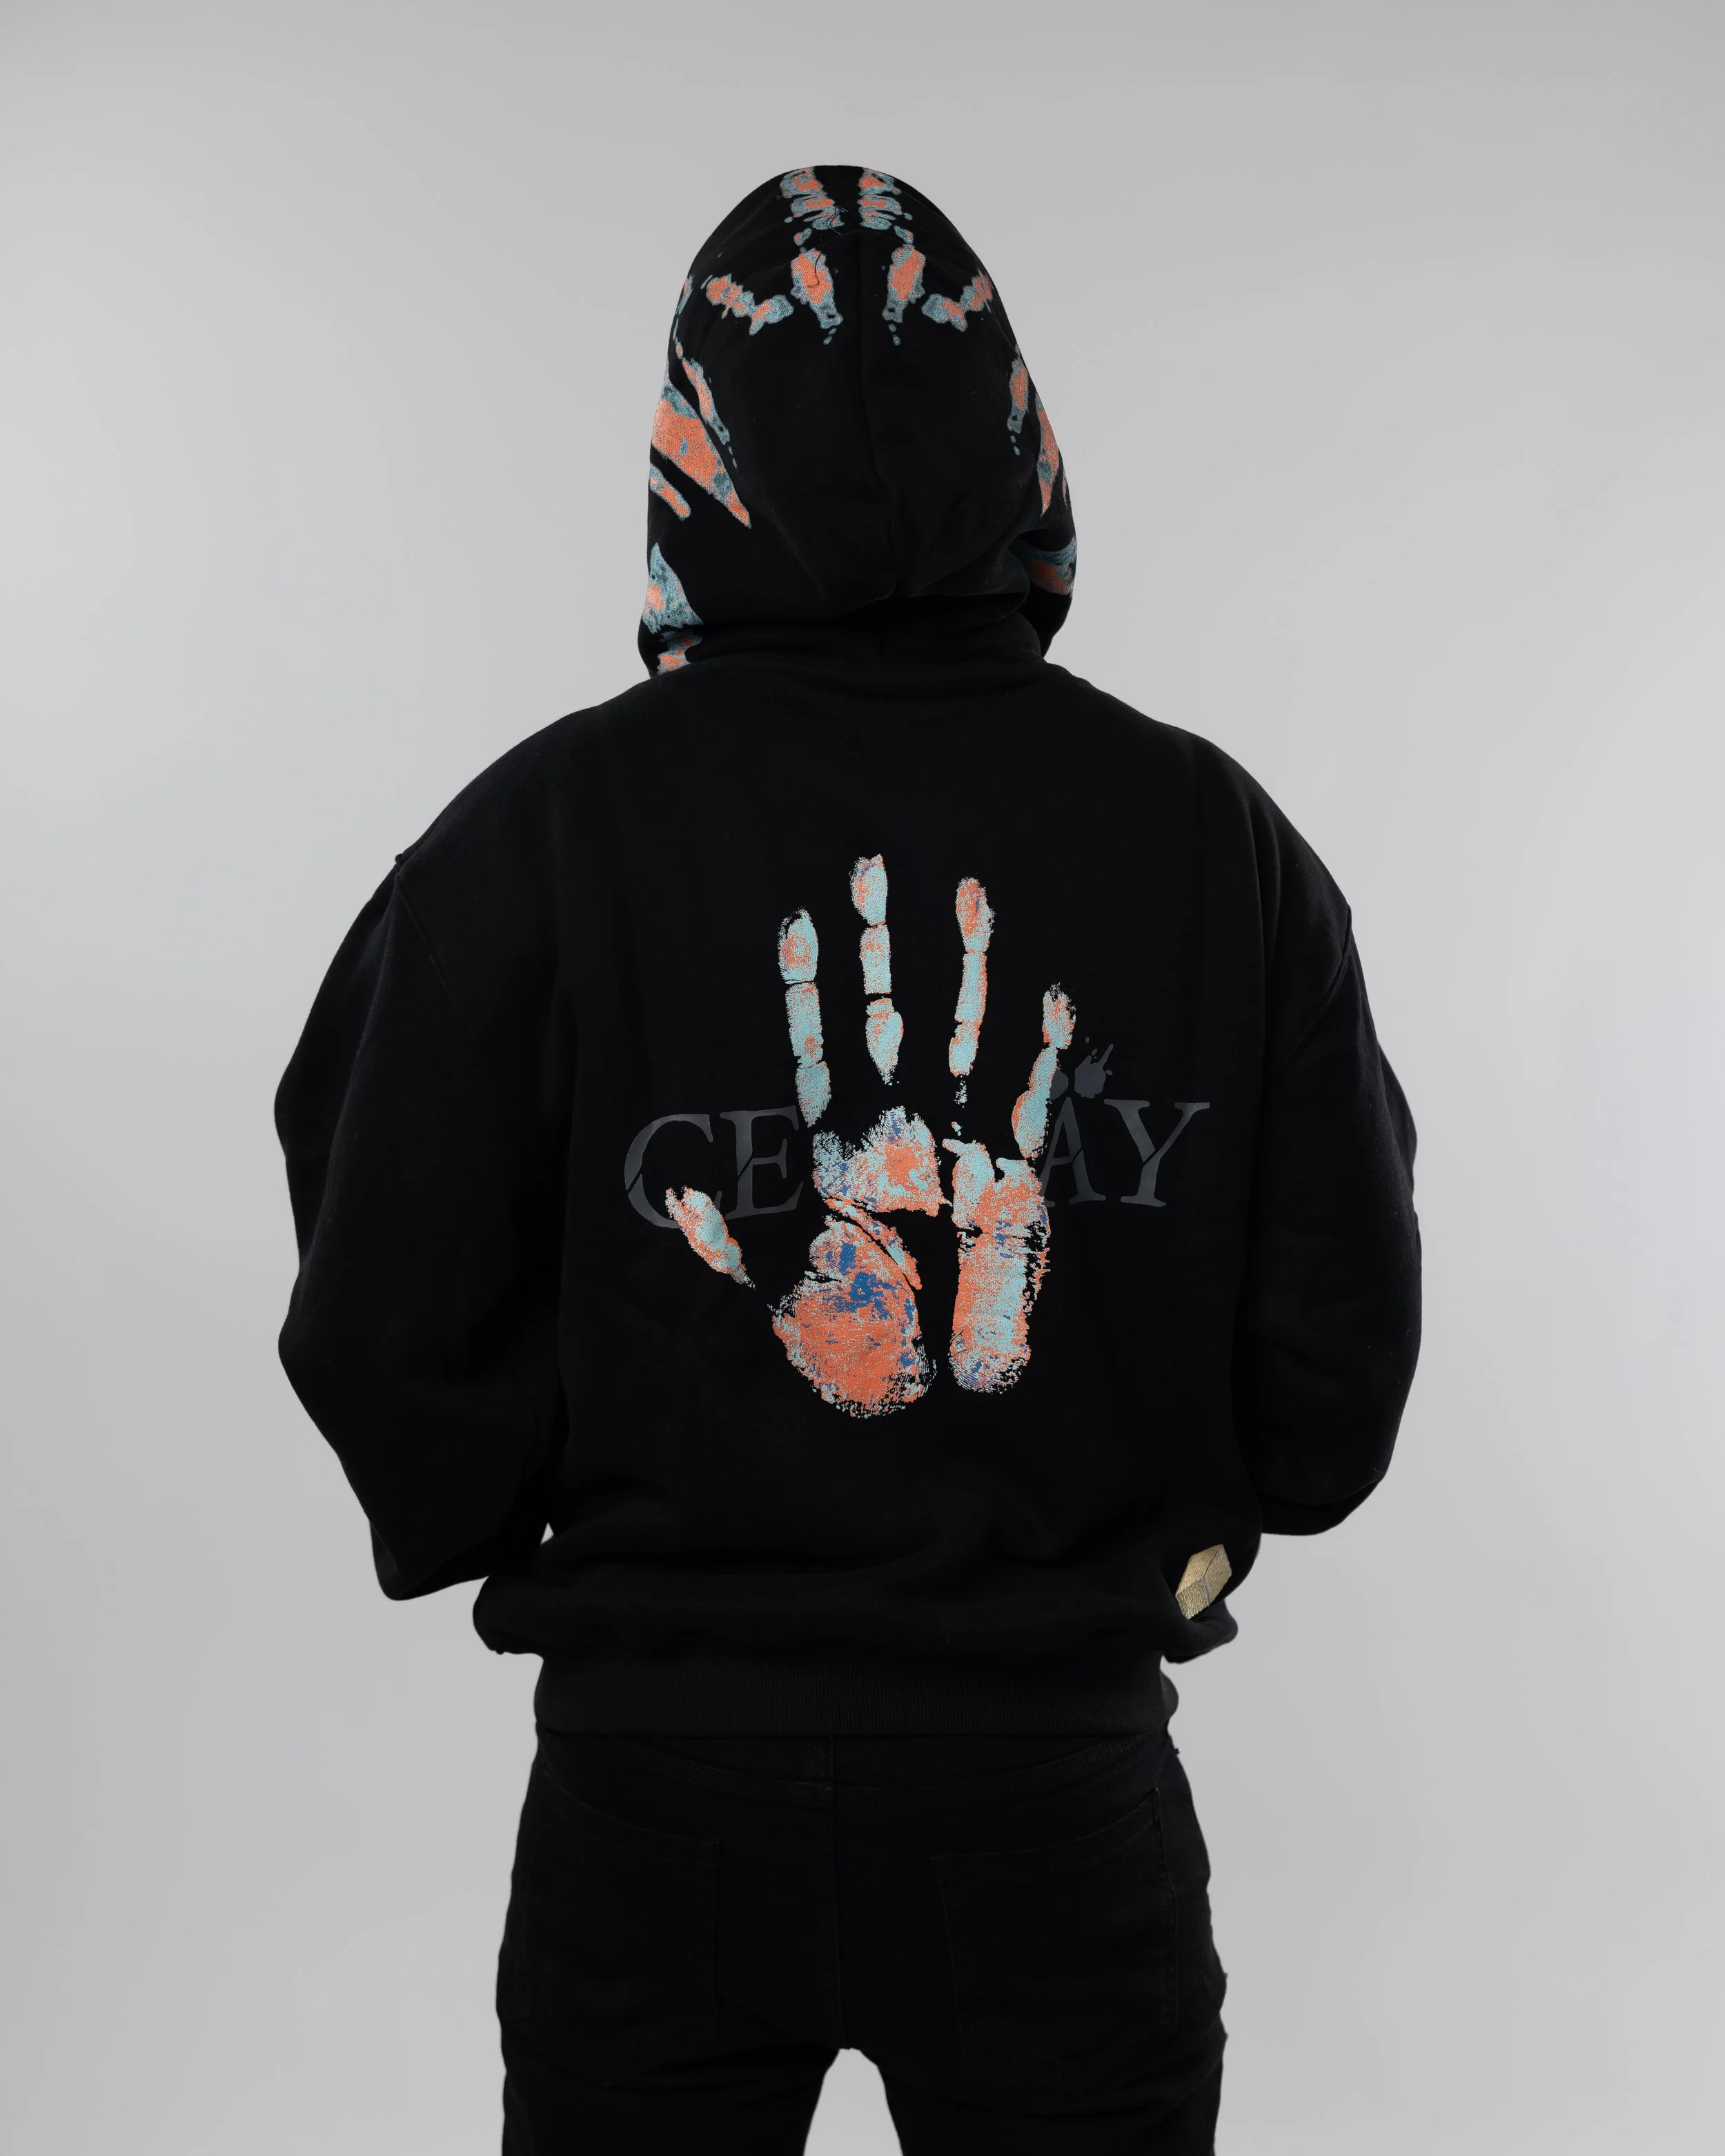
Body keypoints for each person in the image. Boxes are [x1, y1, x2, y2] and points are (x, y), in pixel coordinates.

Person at [274, 164, 1421, 2155]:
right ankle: (980, 1243)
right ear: (1017, 439)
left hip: (656, 1792)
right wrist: (1202, 1506)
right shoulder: (1208, 841)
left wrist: (512, 1498)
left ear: (693, 452)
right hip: (1055, 1787)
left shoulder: (536, 834)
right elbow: (1337, 1350)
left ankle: (891, 1254)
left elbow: (378, 1273)